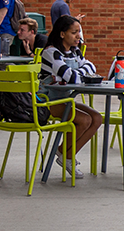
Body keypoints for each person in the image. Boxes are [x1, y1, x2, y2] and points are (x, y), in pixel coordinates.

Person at [39, 15, 104, 177]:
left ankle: (64, 153)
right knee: (84, 119)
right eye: (74, 32)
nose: (78, 36)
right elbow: (73, 77)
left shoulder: (74, 52)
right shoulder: (51, 53)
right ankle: (66, 156)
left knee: (97, 118)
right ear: (62, 34)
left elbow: (91, 66)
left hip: (65, 100)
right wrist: (81, 72)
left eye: (79, 32)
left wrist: (78, 72)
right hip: (46, 102)